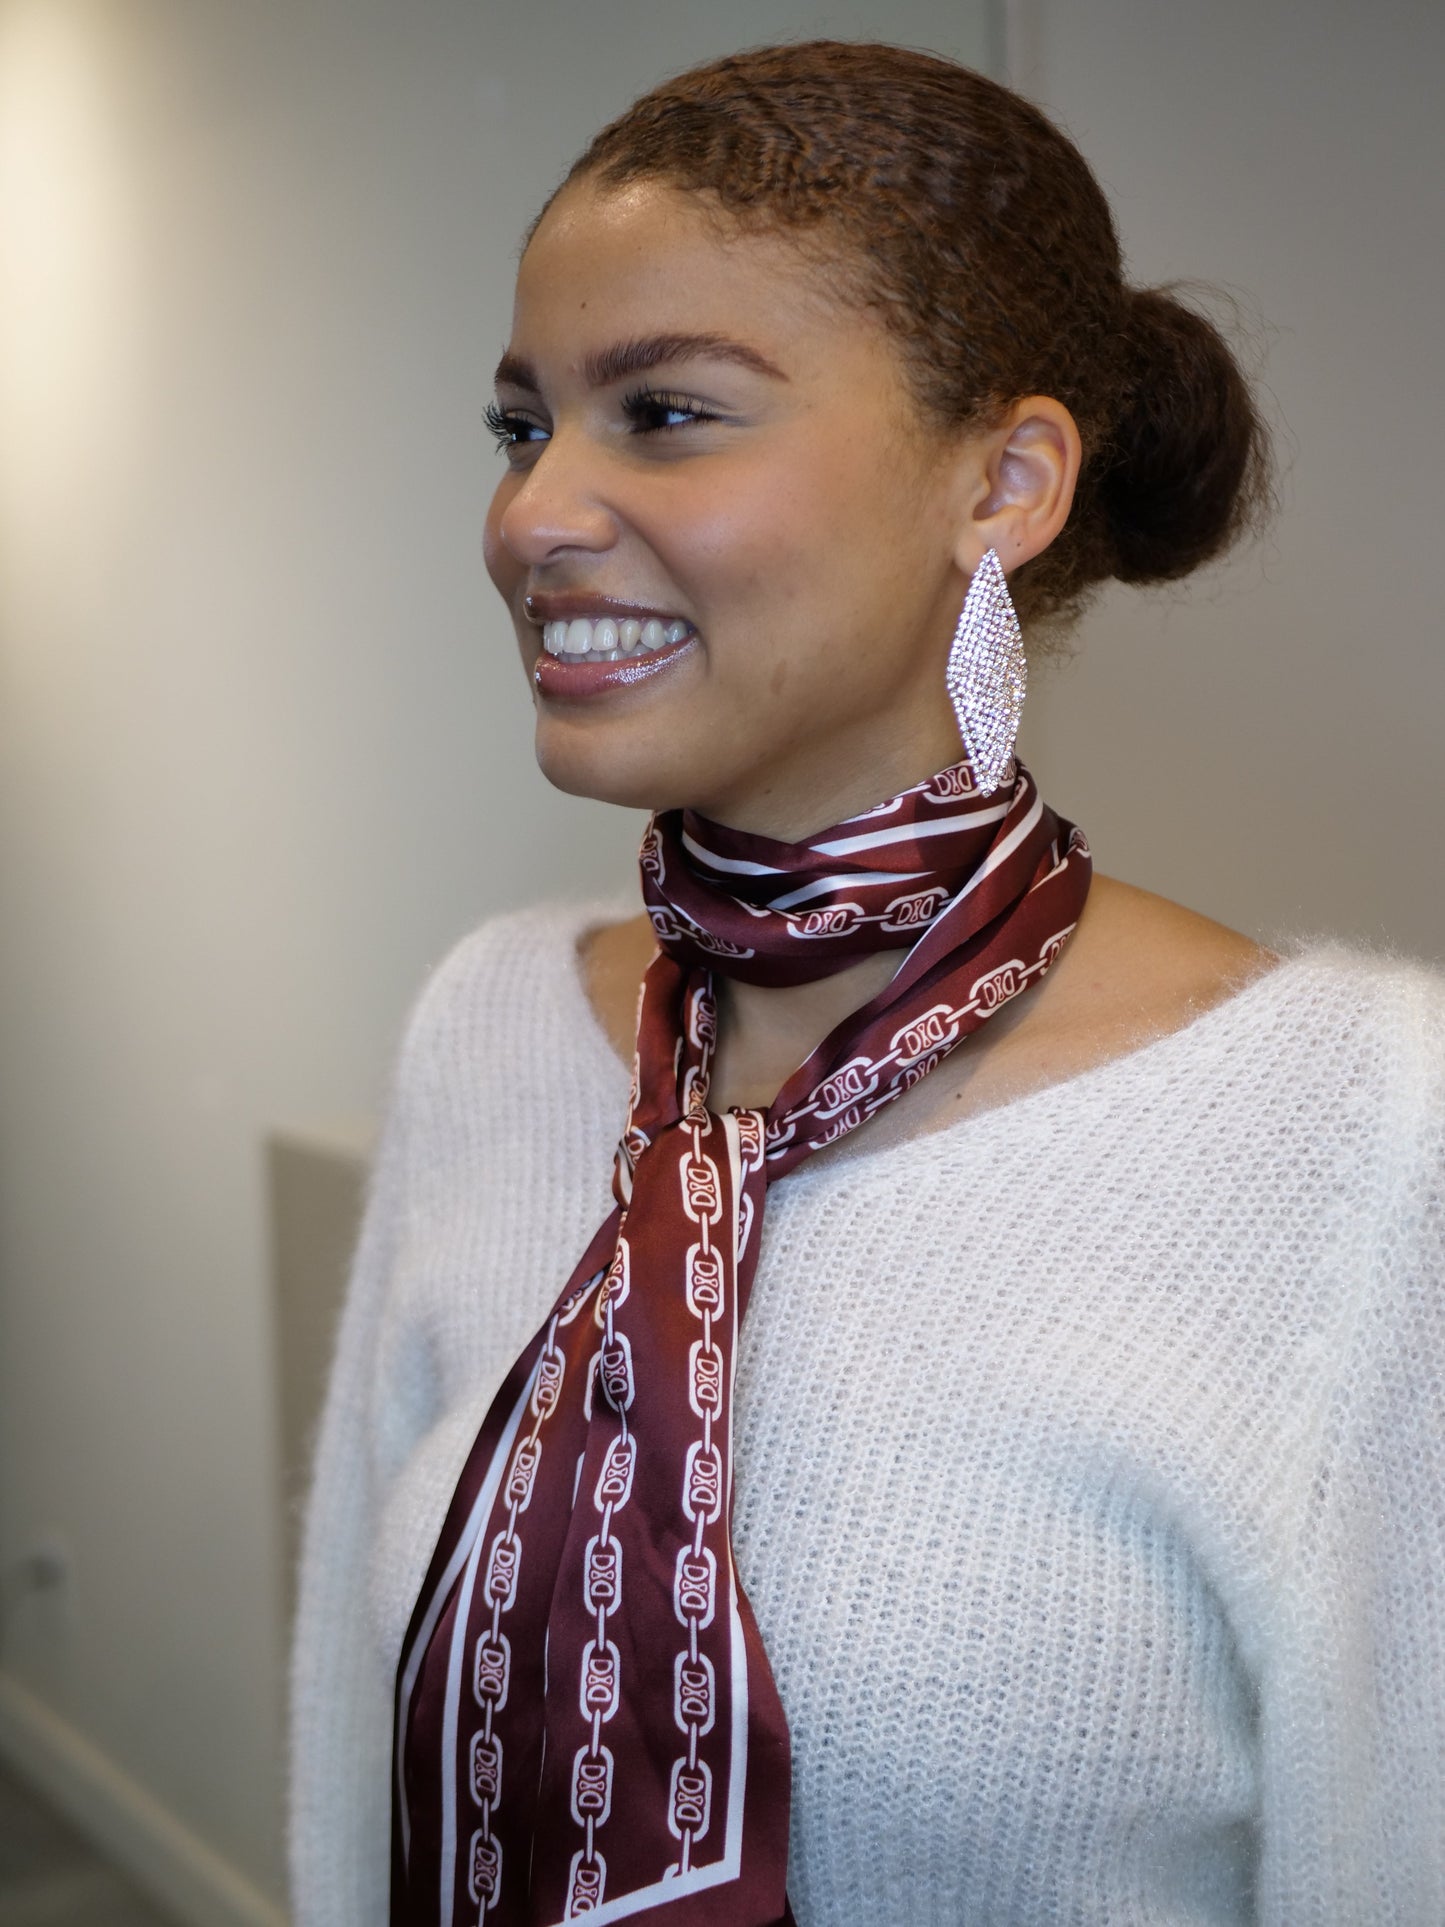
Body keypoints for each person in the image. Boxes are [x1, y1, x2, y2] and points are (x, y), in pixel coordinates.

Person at [289, 41, 1445, 1927]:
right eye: (523, 427)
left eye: (663, 413)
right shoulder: (489, 1028)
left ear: (999, 483)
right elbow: (355, 1776)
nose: (527, 518)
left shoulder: (1363, 1130)